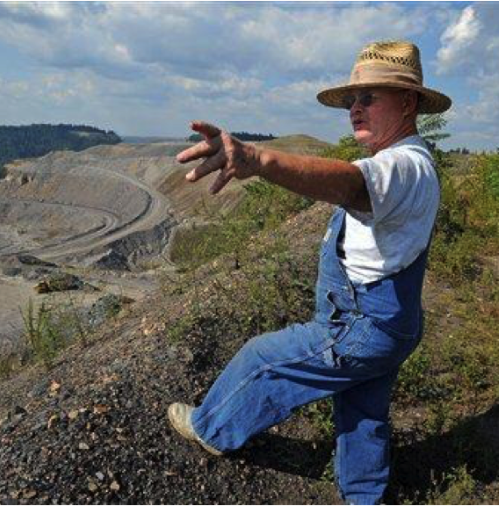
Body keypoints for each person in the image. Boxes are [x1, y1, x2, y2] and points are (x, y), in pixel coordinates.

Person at [168, 40, 451, 506]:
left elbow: (350, 184)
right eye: (351, 100)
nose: (354, 109)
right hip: (391, 322)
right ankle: (365, 494)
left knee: (262, 360)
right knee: (363, 408)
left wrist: (259, 160)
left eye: (369, 98)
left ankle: (210, 427)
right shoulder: (406, 161)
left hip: (361, 325)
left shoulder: (403, 166)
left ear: (409, 101)